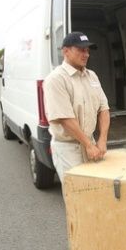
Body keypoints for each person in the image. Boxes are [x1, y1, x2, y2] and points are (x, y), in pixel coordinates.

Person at [43, 31, 110, 187]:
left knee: (96, 194)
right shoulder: (56, 79)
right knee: (77, 197)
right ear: (65, 51)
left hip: (91, 144)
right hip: (69, 148)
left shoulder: (92, 76)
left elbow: (104, 109)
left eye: (87, 50)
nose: (86, 54)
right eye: (81, 49)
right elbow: (65, 119)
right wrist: (88, 145)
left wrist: (102, 140)